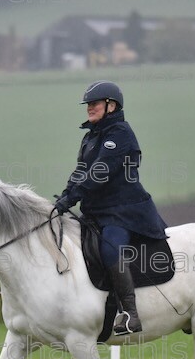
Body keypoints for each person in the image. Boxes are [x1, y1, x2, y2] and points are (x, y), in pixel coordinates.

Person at [54, 81, 168, 335]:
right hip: (97, 212)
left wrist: (72, 198)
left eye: (94, 103)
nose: (89, 108)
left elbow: (99, 173)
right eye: (88, 105)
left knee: (109, 248)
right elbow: (81, 171)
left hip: (123, 212)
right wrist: (63, 198)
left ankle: (130, 313)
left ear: (111, 105)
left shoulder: (119, 134)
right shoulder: (91, 138)